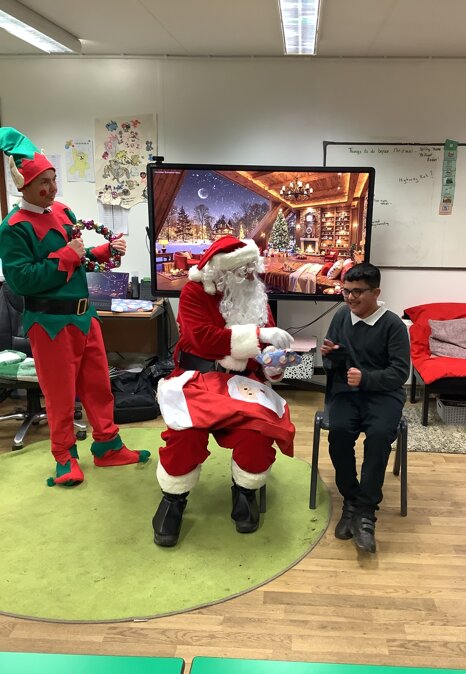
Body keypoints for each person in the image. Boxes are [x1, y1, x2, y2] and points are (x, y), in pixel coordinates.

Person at [0, 127, 150, 486]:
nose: (52, 188)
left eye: (53, 179)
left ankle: (108, 447)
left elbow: (78, 259)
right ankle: (64, 457)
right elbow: (21, 280)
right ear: (24, 185)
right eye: (44, 182)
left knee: (99, 387)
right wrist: (66, 257)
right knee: (60, 395)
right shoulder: (13, 227)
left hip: (85, 318)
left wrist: (103, 252)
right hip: (49, 323)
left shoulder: (63, 212)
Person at [152, 235, 296, 547]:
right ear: (222, 271)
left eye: (252, 267)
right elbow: (203, 338)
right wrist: (260, 335)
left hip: (245, 382)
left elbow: (267, 353)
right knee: (185, 433)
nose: (250, 274)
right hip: (198, 379)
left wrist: (274, 365)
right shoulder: (194, 292)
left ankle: (244, 491)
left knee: (258, 433)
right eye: (242, 269)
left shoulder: (256, 296)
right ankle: (173, 498)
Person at [320, 262, 410, 554]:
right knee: (339, 434)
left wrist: (366, 378)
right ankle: (352, 500)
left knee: (380, 436)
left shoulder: (393, 325)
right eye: (346, 291)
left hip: (383, 395)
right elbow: (331, 365)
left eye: (358, 292)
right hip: (346, 393)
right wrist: (330, 357)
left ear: (376, 293)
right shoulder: (340, 316)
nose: (350, 297)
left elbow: (400, 373)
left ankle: (366, 510)